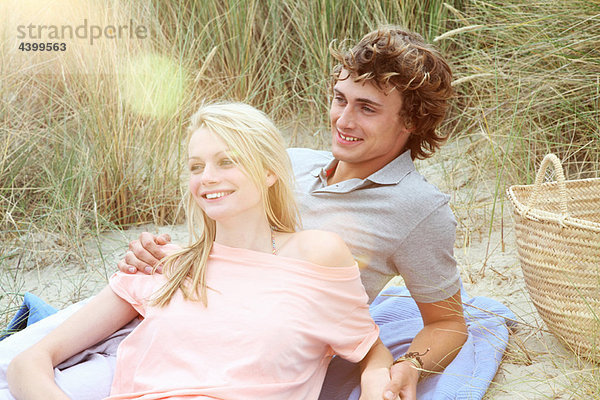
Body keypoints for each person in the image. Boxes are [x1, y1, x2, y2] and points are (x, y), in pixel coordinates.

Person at [123, 26, 468, 400]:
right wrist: (156, 255)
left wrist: (410, 365)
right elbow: (220, 245)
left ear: (411, 121)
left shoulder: (418, 208)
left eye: (367, 108)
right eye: (340, 99)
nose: (343, 120)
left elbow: (447, 321)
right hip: (180, 331)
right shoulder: (292, 162)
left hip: (259, 362)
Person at [6, 103, 395, 400]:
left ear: (269, 171)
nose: (207, 177)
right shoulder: (162, 263)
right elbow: (31, 361)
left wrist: (378, 375)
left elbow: (368, 347)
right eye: (196, 166)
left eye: (227, 161)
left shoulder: (317, 254)